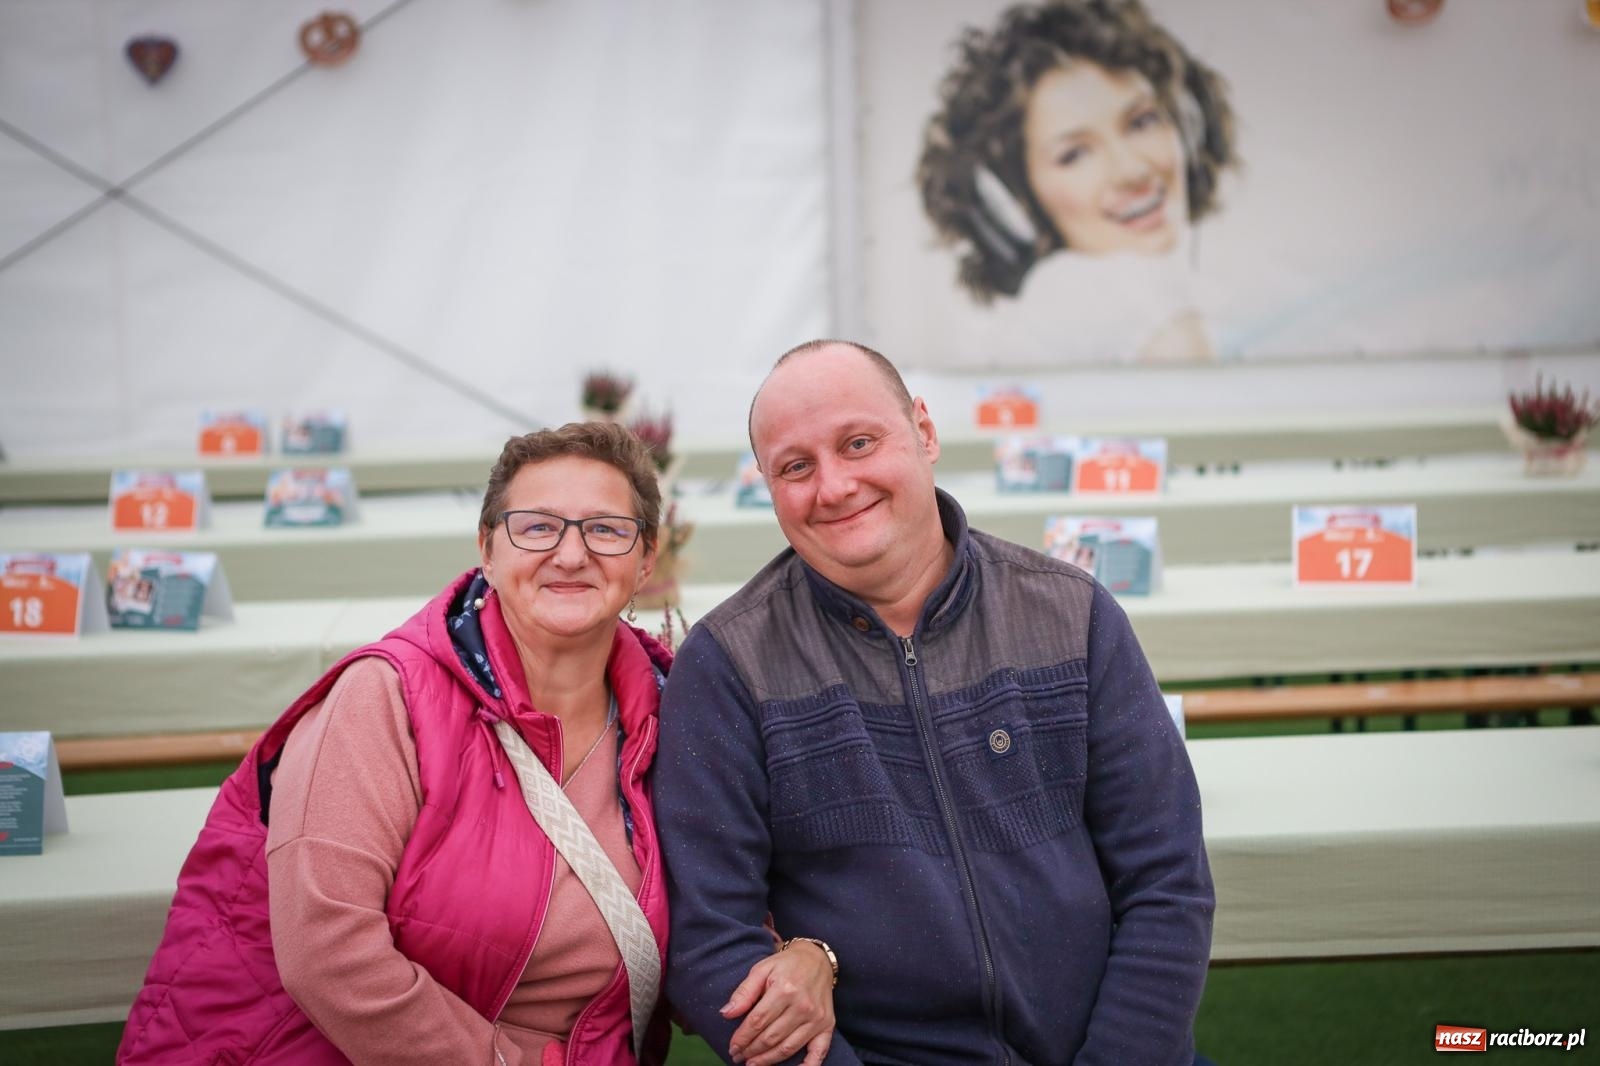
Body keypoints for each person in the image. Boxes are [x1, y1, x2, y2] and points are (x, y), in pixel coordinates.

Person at [119, 422, 826, 1065]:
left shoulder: (674, 715)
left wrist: (809, 955)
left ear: (646, 561)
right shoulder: (384, 699)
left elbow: (724, 905)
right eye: (536, 527)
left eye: (608, 530)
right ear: (486, 548)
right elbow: (329, 955)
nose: (572, 553)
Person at [657, 340, 1213, 1065]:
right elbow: (711, 940)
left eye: (858, 443)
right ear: (767, 484)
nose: (833, 486)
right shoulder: (728, 665)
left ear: (923, 432)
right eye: (796, 467)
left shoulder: (1070, 614)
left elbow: (1166, 882)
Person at [917, 0, 1237, 362]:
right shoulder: (1092, 291)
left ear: (1187, 126)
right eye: (1074, 155)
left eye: (1141, 121)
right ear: (1016, 204)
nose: (1131, 171)